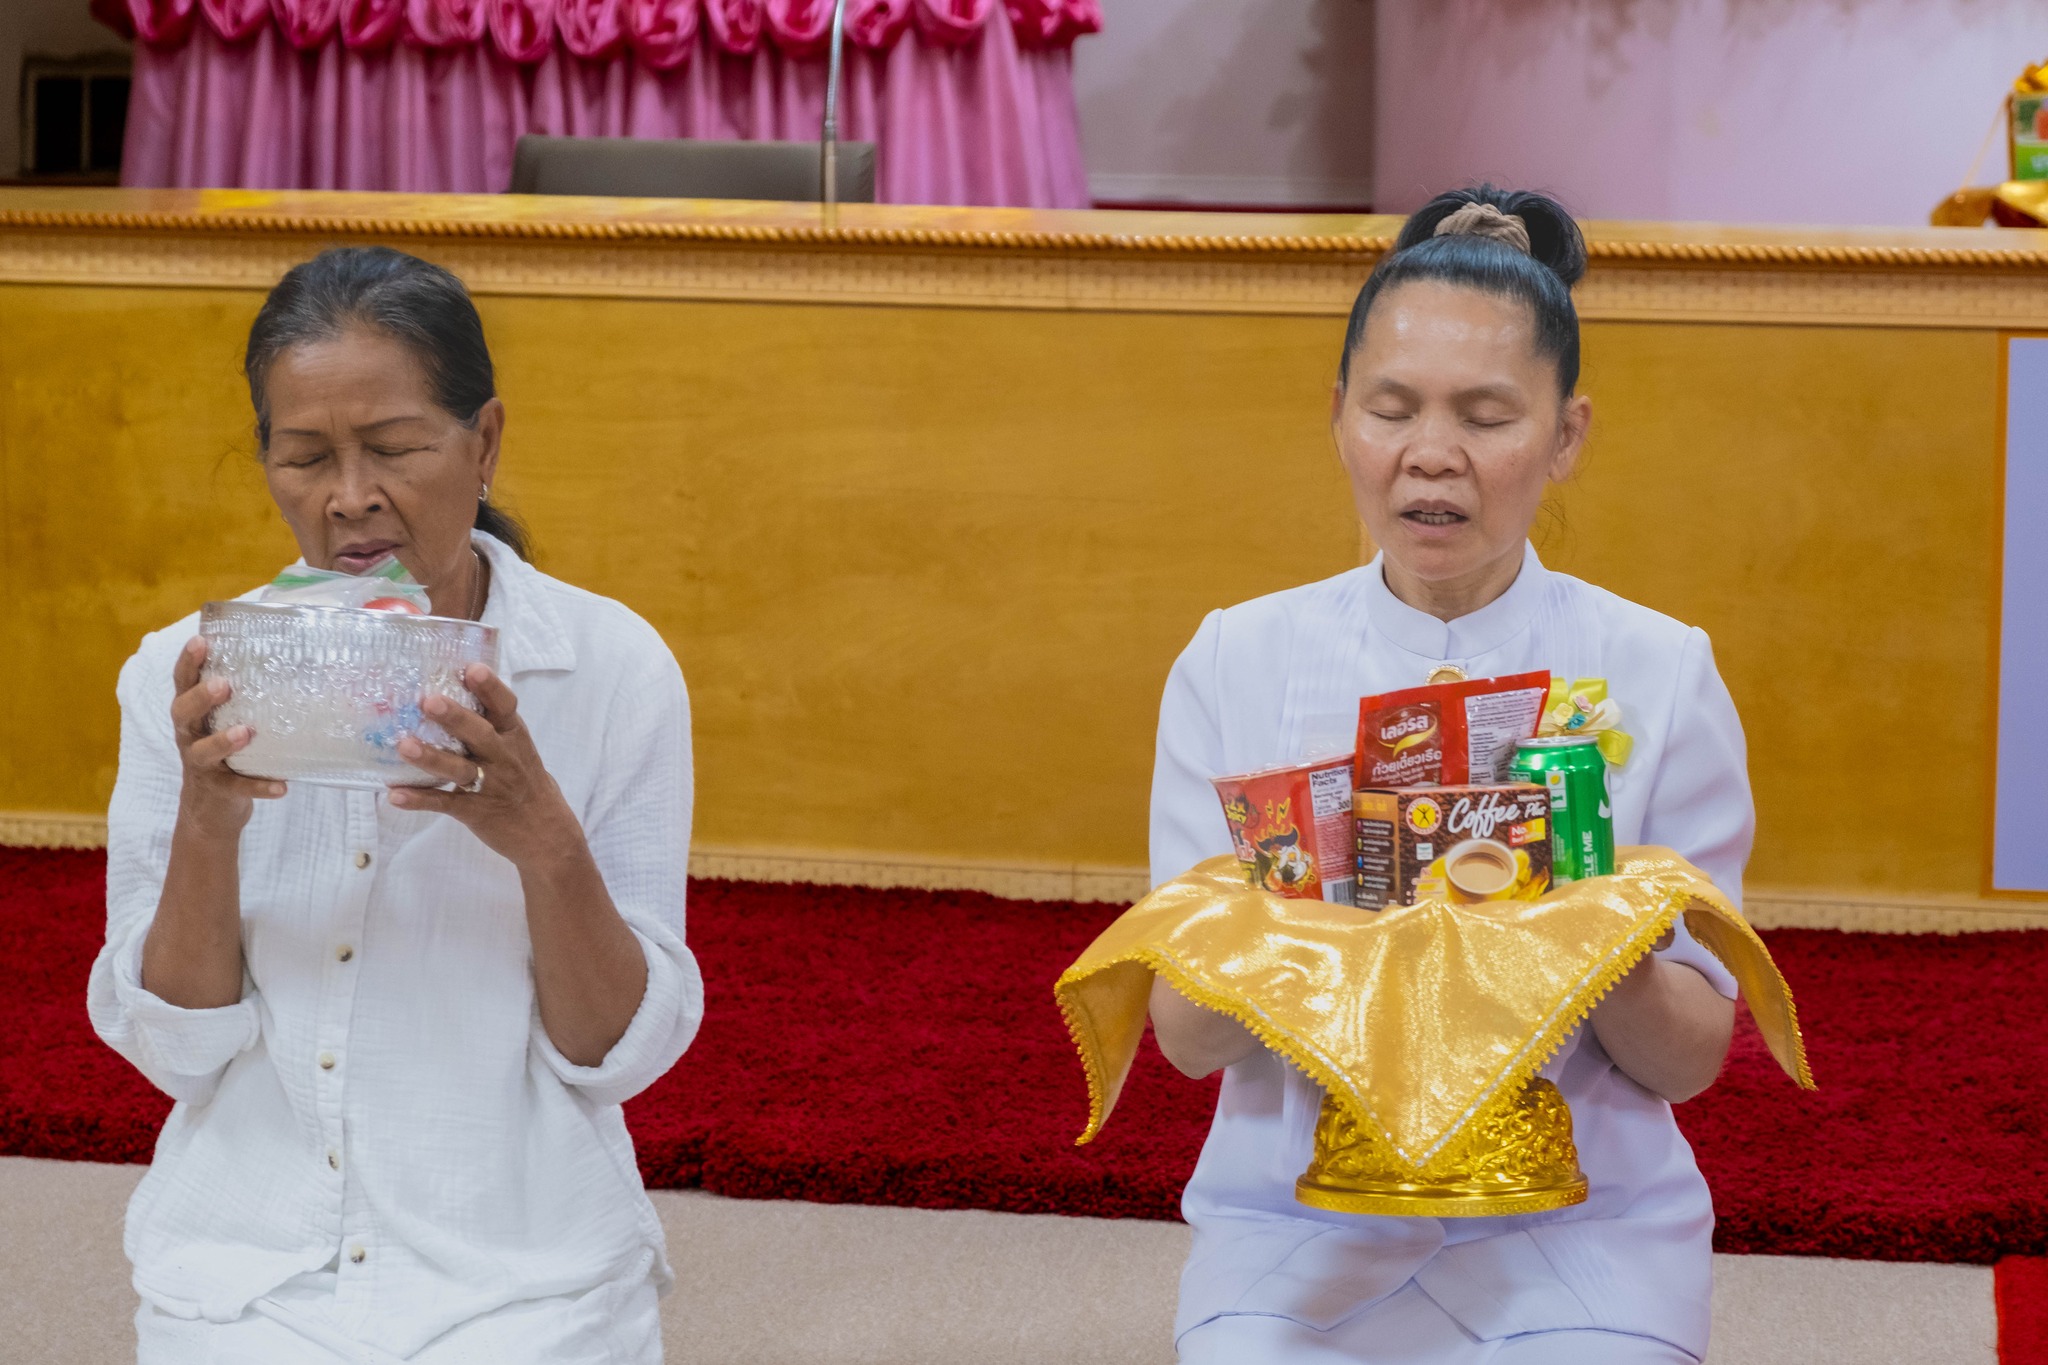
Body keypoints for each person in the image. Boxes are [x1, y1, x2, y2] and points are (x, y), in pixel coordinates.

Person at [1146, 188, 1747, 1364]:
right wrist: (1293, 914)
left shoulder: (1658, 671)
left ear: (1564, 436)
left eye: (1485, 416)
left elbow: (1688, 1056)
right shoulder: (1236, 656)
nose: (1430, 455)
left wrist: (1579, 925)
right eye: (1390, 409)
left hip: (1586, 1223)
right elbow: (1184, 1040)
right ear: (1338, 420)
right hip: (1294, 1221)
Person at [87, 247, 701, 1364]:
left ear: (486, 443)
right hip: (246, 1272)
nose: (348, 498)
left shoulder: (610, 668)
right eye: (304, 456)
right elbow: (176, 1052)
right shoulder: (178, 677)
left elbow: (617, 1058)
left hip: (530, 1277)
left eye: (396, 449)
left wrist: (541, 840)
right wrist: (207, 824)